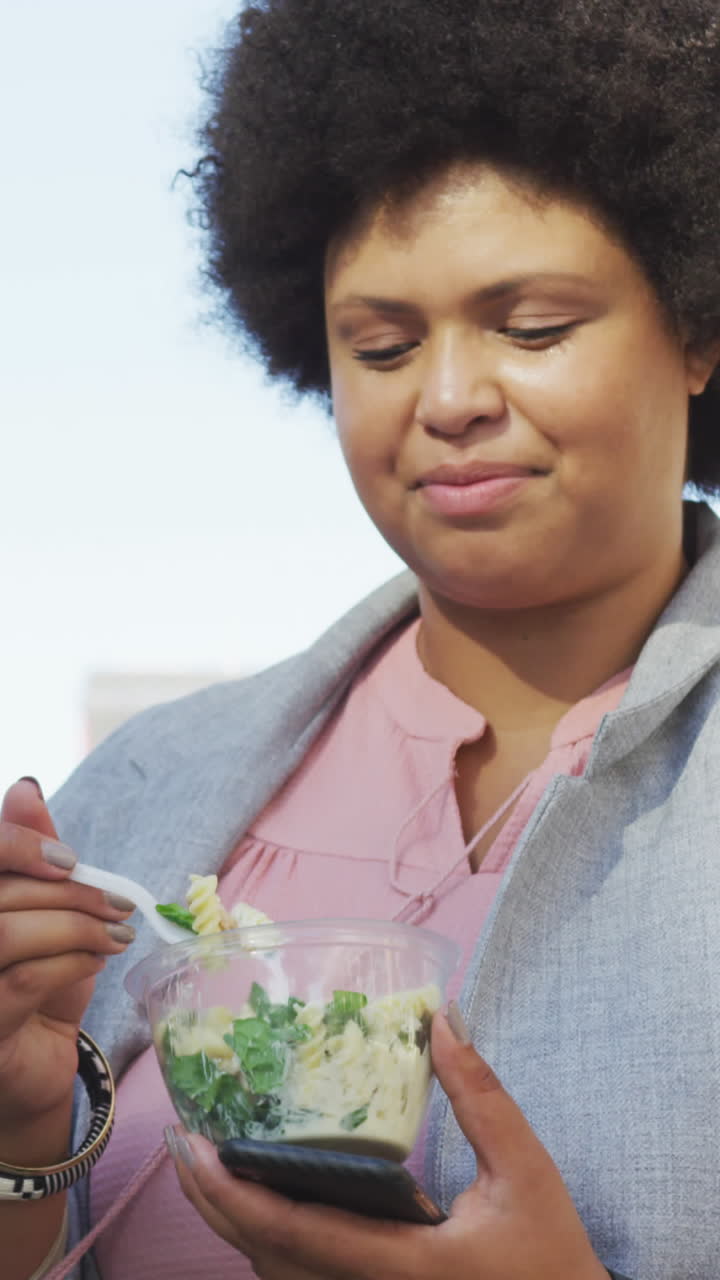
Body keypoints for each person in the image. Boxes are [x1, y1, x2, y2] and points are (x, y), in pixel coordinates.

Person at [2, 0, 720, 1275]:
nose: (446, 399)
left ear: (698, 329)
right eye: (381, 346)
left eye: (533, 327)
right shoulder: (142, 795)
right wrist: (20, 1127)